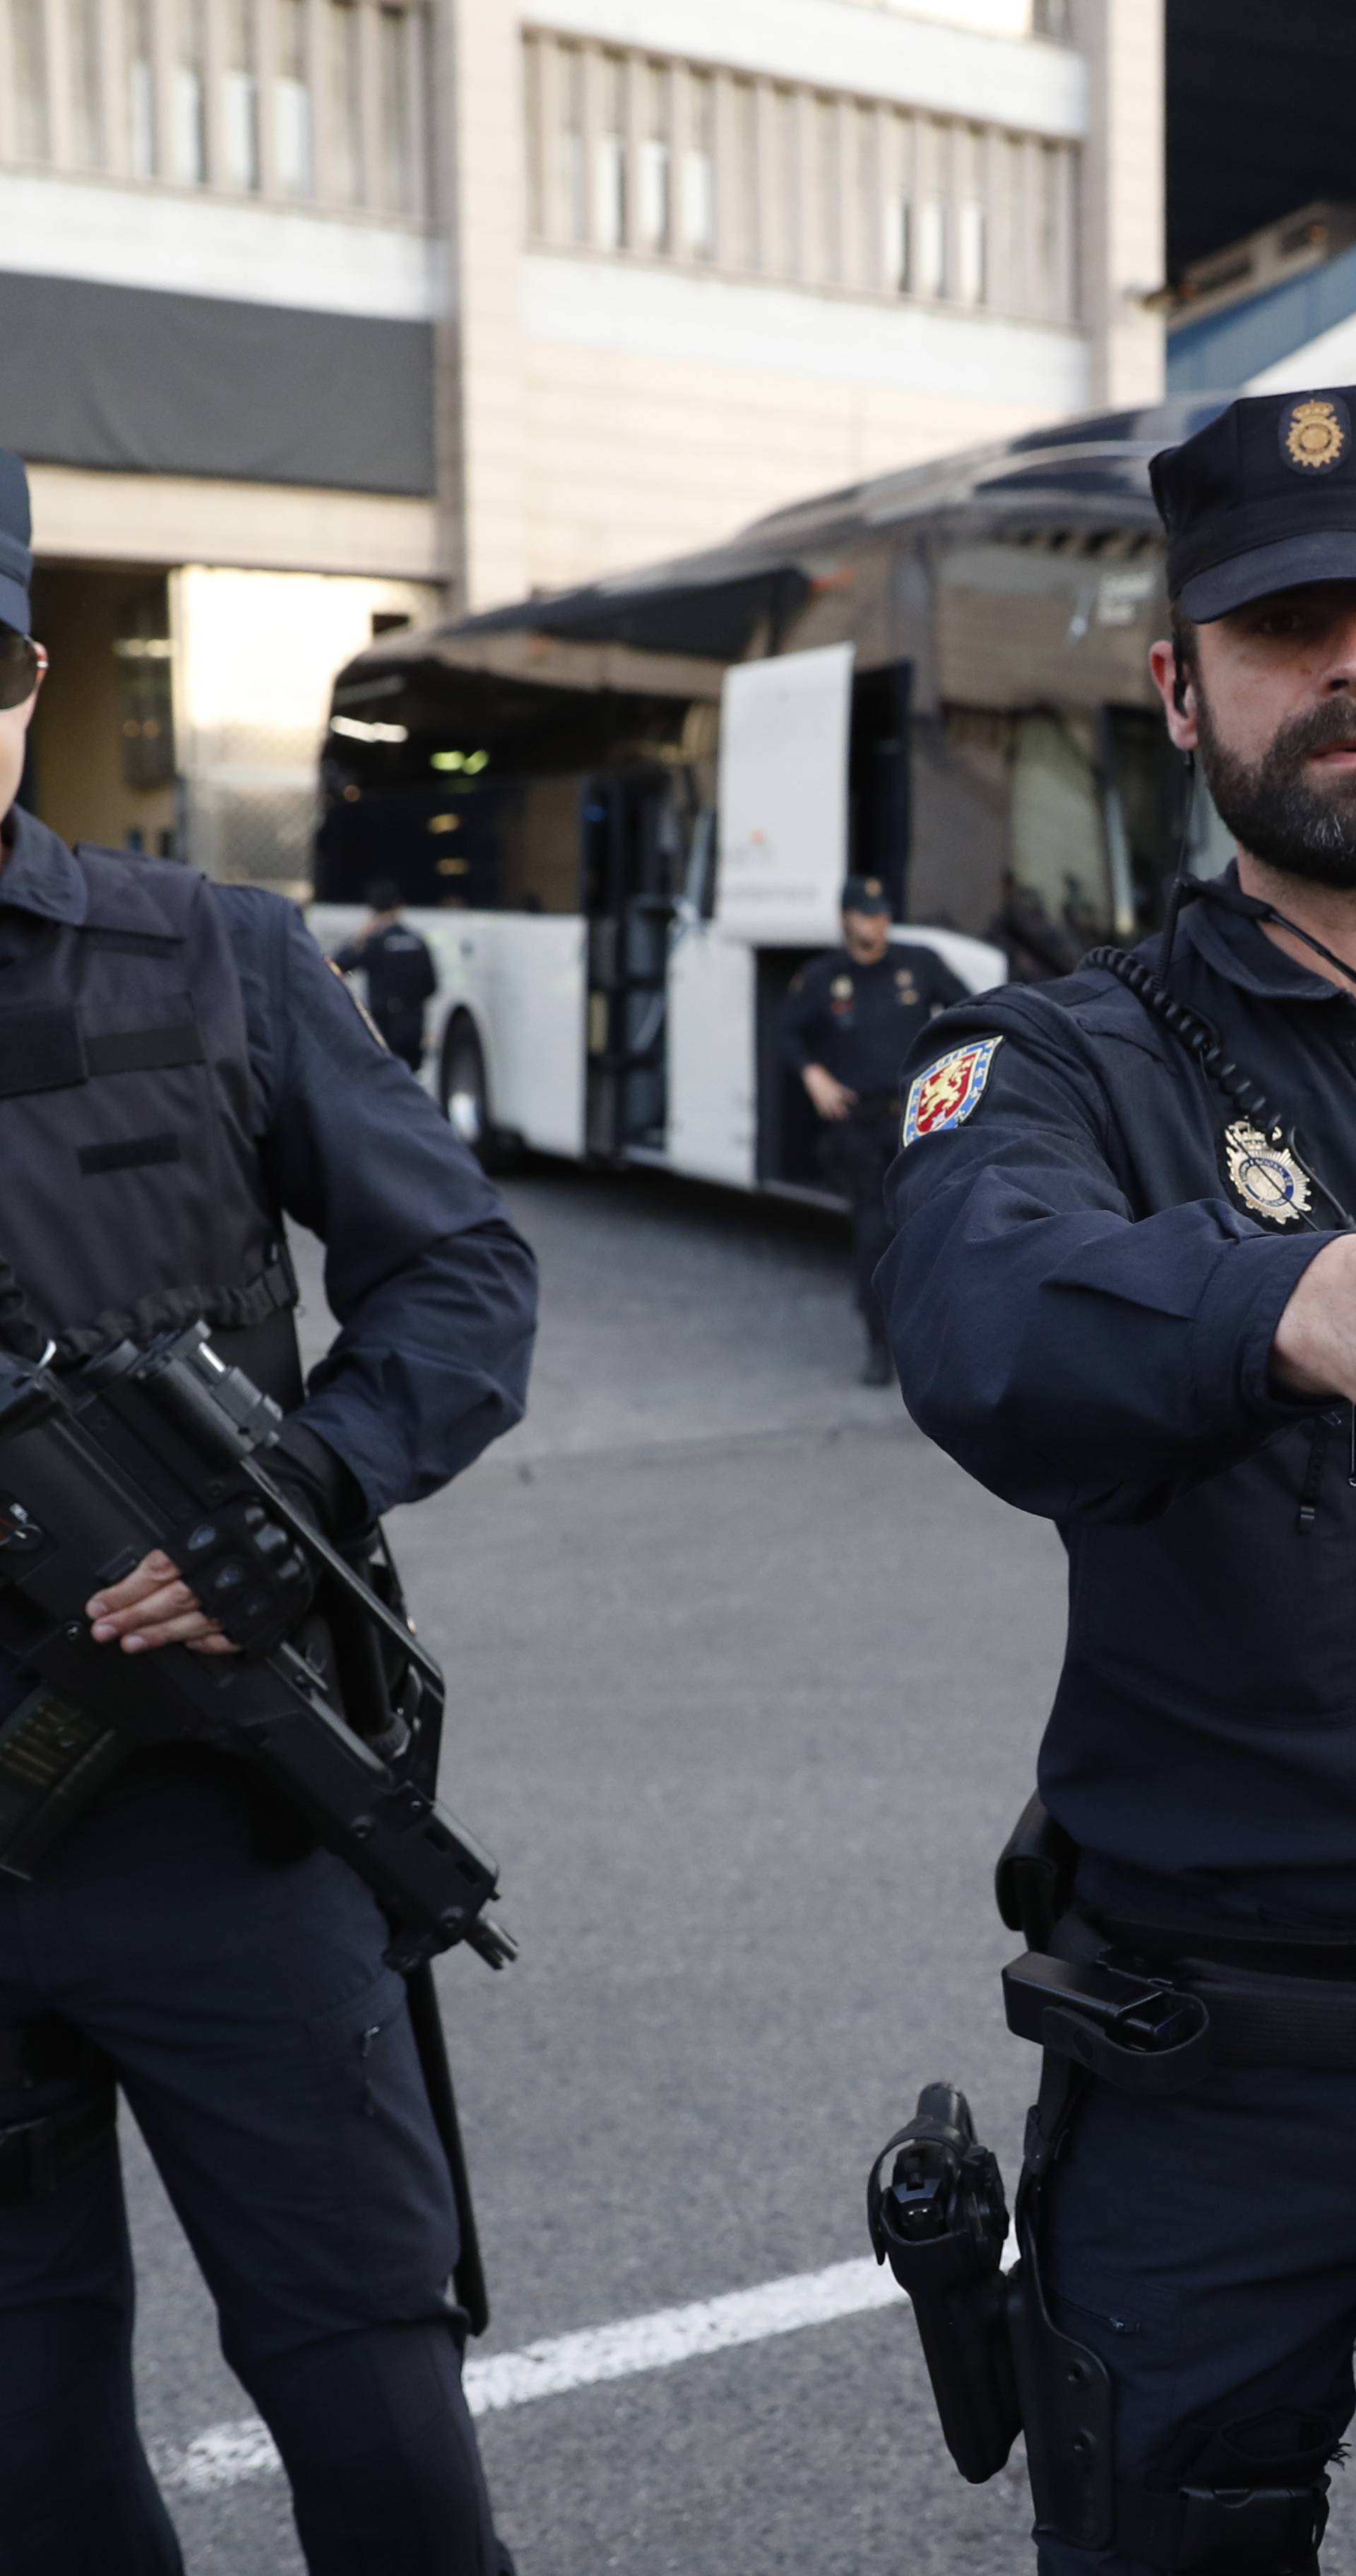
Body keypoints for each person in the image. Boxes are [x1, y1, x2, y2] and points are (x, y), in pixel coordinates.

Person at [0, 448, 537, 2575]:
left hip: (224, 1812)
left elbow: (465, 1274)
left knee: (379, 2430)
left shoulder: (211, 955)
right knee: (28, 2478)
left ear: (32, 682)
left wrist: (296, 1493)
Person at [880, 385, 1356, 2573]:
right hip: (1224, 2069)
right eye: (1288, 624)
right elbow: (980, 1314)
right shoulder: (1068, 1057)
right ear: (1179, 687)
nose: (1346, 662)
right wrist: (1283, 1307)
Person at [782, 876, 965, 1383]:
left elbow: (970, 1011)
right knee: (873, 1233)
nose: (877, 923)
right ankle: (878, 1343)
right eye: (866, 915)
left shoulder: (918, 962)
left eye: (883, 913)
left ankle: (937, 1339)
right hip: (859, 1127)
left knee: (932, 1230)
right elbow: (787, 1031)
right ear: (847, 919)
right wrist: (812, 1072)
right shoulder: (824, 977)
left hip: (915, 1121)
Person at [332, 878, 438, 1071]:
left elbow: (337, 967)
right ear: (399, 906)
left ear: (373, 910)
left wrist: (359, 939)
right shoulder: (418, 941)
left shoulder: (375, 943)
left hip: (385, 1028)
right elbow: (431, 986)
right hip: (413, 1027)